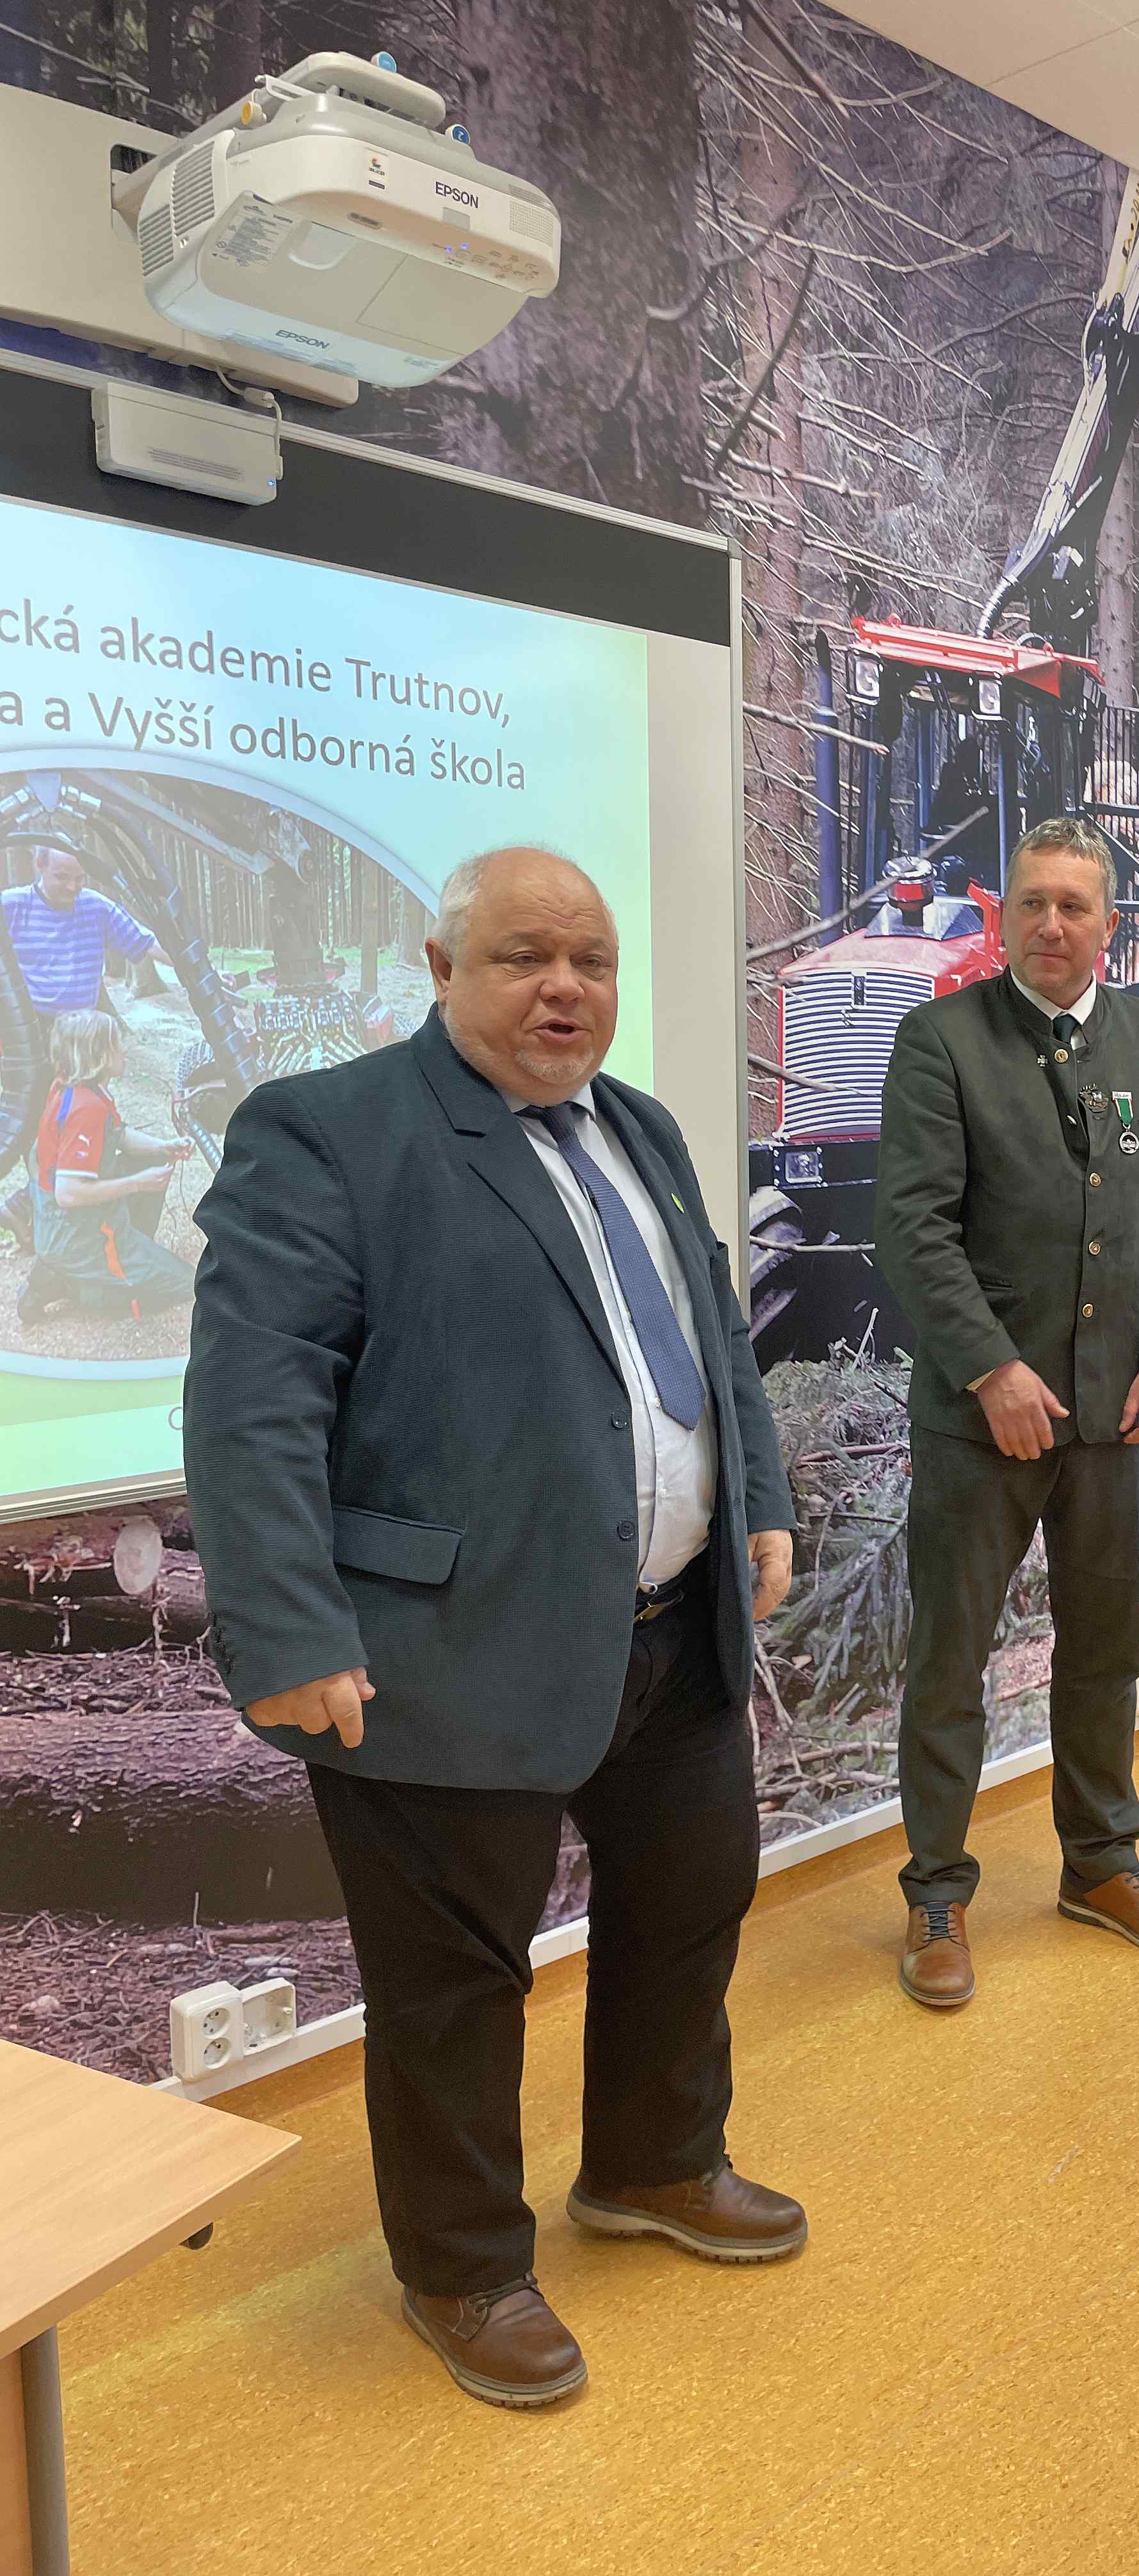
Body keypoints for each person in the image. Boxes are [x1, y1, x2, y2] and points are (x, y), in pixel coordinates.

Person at [184, 845, 804, 2412]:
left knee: (689, 1907)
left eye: (592, 961)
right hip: (440, 1649)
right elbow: (255, 1401)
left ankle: (653, 2164)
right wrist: (288, 1627)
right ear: (441, 966)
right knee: (454, 1981)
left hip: (671, 1631)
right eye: (526, 957)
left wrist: (762, 1504)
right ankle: (462, 2268)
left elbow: (714, 1344)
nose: (565, 989)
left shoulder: (643, 1128)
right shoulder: (328, 1133)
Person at [876, 815, 1139, 2009]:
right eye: (1030, 902)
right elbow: (913, 1229)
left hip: (1112, 1420)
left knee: (1104, 1647)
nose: (1050, 924)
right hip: (980, 1422)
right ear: (1003, 915)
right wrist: (989, 1369)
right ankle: (936, 1891)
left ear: (1107, 925)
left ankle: (1100, 1863)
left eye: (1073, 905)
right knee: (950, 1659)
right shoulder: (941, 1042)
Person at [3, 842, 170, 1254]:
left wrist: (195, 967)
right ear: (38, 864)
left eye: (79, 878)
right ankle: (41, 1218)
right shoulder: (13, 906)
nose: (72, 887)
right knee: (38, 1124)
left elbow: (144, 942)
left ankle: (32, 1210)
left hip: (85, 1034)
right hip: (32, 1033)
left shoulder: (95, 907)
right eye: (62, 877)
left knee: (88, 1117)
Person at [21, 1009, 195, 1325]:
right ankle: (71, 1282)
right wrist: (139, 1183)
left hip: (61, 1221)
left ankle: (126, 1254)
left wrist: (163, 1147)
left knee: (152, 1159)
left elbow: (118, 1134)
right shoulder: (85, 1109)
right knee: (187, 1284)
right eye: (116, 1044)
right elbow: (69, 1193)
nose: (124, 1050)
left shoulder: (77, 1088)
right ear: (98, 1055)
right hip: (72, 1232)